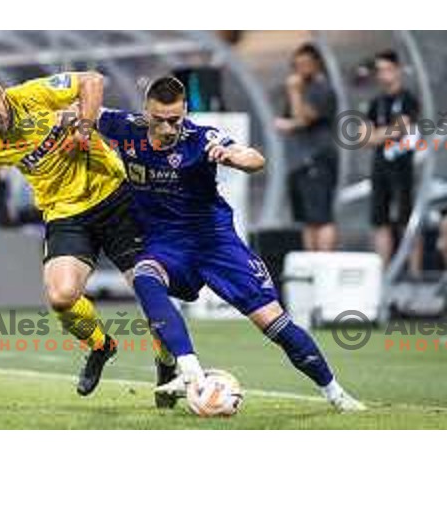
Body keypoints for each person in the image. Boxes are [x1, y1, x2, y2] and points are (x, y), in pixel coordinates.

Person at [97, 76, 364, 412]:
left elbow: (254, 157)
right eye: (159, 119)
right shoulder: (125, 127)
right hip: (167, 245)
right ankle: (190, 370)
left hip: (215, 244)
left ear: (186, 112)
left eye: (175, 120)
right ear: (145, 112)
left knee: (274, 323)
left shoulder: (201, 138)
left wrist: (233, 158)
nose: (167, 128)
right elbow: (86, 106)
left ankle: (336, 394)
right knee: (144, 277)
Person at [0, 67, 172, 398]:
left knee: (149, 289)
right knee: (61, 296)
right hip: (66, 215)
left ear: (1, 92)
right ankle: (100, 345)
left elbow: (93, 80)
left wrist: (83, 128)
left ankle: (167, 364)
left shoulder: (34, 94)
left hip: (114, 196)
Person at [275, 43, 338, 251]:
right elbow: (288, 120)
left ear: (317, 64)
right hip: (299, 160)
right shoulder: (304, 88)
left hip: (318, 157)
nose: (300, 69)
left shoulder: (323, 89)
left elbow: (303, 118)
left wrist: (294, 91)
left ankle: (324, 264)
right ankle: (311, 265)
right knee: (306, 218)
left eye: (305, 63)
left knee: (321, 216)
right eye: (297, 64)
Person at [363, 49, 421, 272]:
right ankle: (384, 272)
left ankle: (413, 272)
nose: (383, 75)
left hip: (402, 167)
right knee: (380, 220)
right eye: (379, 70)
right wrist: (382, 134)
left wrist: (378, 134)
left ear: (397, 70)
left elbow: (402, 127)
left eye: (387, 69)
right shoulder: (376, 102)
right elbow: (364, 138)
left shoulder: (408, 99)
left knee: (407, 219)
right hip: (380, 168)